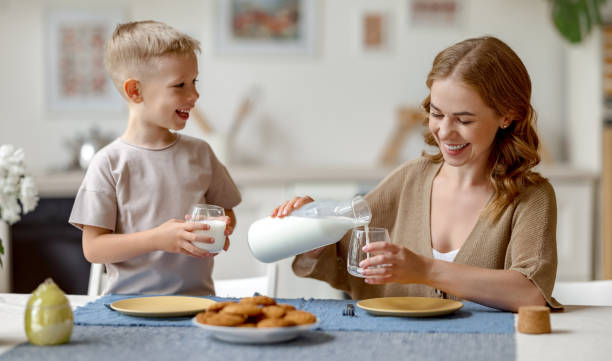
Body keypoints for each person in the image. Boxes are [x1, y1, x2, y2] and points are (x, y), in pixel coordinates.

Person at [272, 36, 561, 312]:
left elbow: (531, 292)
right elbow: (341, 255)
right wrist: (316, 235)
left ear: (507, 115)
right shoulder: (410, 179)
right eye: (436, 114)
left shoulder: (531, 198)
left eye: (464, 119)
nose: (445, 132)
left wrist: (425, 270)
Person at [69, 21, 241, 295]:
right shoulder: (108, 163)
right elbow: (93, 248)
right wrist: (158, 239)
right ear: (135, 91)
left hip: (195, 305)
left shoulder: (201, 154)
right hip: (127, 309)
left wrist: (223, 227)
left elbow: (226, 211)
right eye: (180, 85)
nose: (194, 95)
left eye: (194, 82)